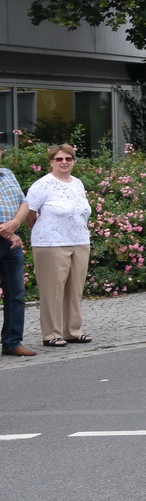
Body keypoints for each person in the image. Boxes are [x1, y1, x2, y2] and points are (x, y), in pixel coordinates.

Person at [1, 145, 92, 347]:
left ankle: (73, 330)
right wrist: (41, 228)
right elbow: (28, 211)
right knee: (52, 290)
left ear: (74, 161)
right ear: (51, 162)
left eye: (68, 158)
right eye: (59, 159)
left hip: (79, 241)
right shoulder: (43, 185)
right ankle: (51, 333)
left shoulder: (77, 183)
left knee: (75, 289)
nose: (64, 162)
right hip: (50, 243)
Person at [0, 142, 34, 356]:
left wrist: (14, 225)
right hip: (8, 236)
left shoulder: (8, 173)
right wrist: (8, 230)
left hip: (11, 242)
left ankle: (12, 343)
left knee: (16, 294)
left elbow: (24, 203)